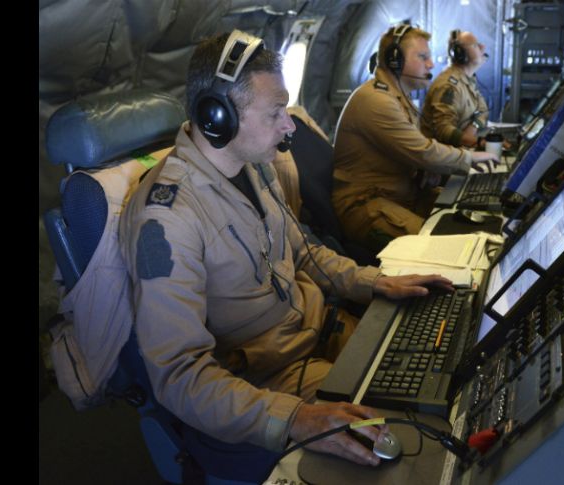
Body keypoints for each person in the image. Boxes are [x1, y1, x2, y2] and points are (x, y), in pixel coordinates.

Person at [119, 30, 453, 468]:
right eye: (276, 111)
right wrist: (296, 419)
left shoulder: (256, 168)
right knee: (418, 443)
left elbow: (304, 252)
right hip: (268, 379)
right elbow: (180, 375)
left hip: (320, 331)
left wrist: (376, 282)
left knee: (438, 363)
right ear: (217, 116)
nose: (289, 124)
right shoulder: (167, 217)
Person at [332, 24, 495, 253]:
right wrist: (471, 158)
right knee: (443, 250)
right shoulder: (377, 101)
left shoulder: (398, 98)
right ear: (395, 60)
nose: (431, 64)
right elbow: (423, 151)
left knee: (472, 225)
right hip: (366, 206)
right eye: (422, 57)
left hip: (404, 195)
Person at [422, 30, 491, 149]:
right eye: (475, 45)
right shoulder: (449, 86)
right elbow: (443, 130)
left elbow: (483, 111)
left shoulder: (468, 80)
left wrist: (472, 129)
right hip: (444, 163)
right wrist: (481, 143)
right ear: (460, 54)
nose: (482, 47)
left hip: (460, 154)